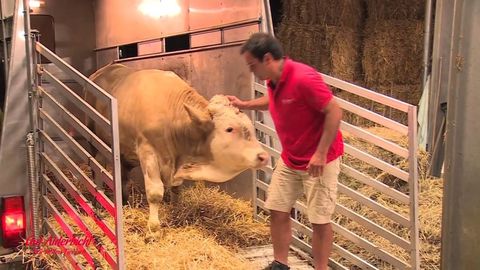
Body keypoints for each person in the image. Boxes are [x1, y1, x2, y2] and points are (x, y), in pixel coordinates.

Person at [227, 33, 343, 270]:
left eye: (252, 65)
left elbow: (335, 111)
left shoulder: (303, 78)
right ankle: (280, 264)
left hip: (320, 160)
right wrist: (244, 105)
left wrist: (320, 154)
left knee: (319, 220)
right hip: (291, 158)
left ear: (267, 58)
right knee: (277, 208)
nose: (251, 71)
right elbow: (272, 101)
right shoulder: (274, 82)